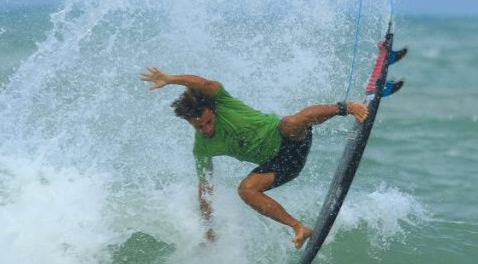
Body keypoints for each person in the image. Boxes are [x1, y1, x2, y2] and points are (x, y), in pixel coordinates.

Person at [140, 56, 405, 248]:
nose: (206, 129)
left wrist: (171, 79)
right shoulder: (202, 147)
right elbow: (205, 188)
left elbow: (204, 83)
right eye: (199, 127)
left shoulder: (222, 102)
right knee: (246, 189)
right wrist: (208, 228)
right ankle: (299, 227)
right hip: (281, 166)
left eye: (209, 122)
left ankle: (347, 107)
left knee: (290, 122)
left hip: (291, 139)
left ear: (213, 110)